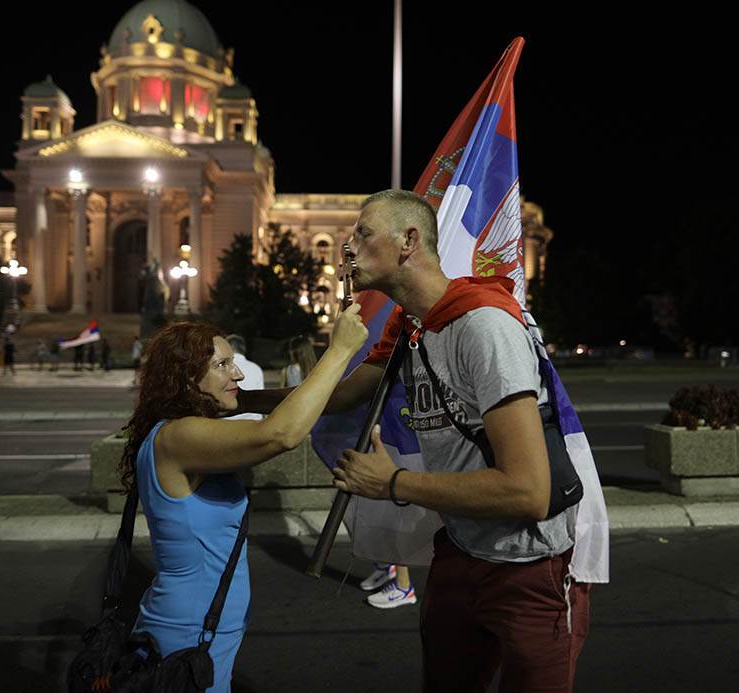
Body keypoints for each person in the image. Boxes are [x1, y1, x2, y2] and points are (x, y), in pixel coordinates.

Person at [240, 190, 588, 692]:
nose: (347, 247)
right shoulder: (411, 327)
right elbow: (336, 397)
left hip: (529, 568)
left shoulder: (483, 326)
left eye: (362, 233)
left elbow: (529, 491)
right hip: (461, 552)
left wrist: (394, 483)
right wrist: (242, 399)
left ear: (408, 241)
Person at [118, 307, 368, 692]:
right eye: (222, 364)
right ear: (186, 375)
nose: (236, 374)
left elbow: (306, 403)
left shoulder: (183, 428)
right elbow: (280, 435)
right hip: (186, 635)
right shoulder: (179, 437)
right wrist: (339, 350)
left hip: (204, 629)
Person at [225, 334, 264, 421]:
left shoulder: (222, 368)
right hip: (254, 422)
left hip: (227, 422)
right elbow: (261, 398)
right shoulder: (256, 368)